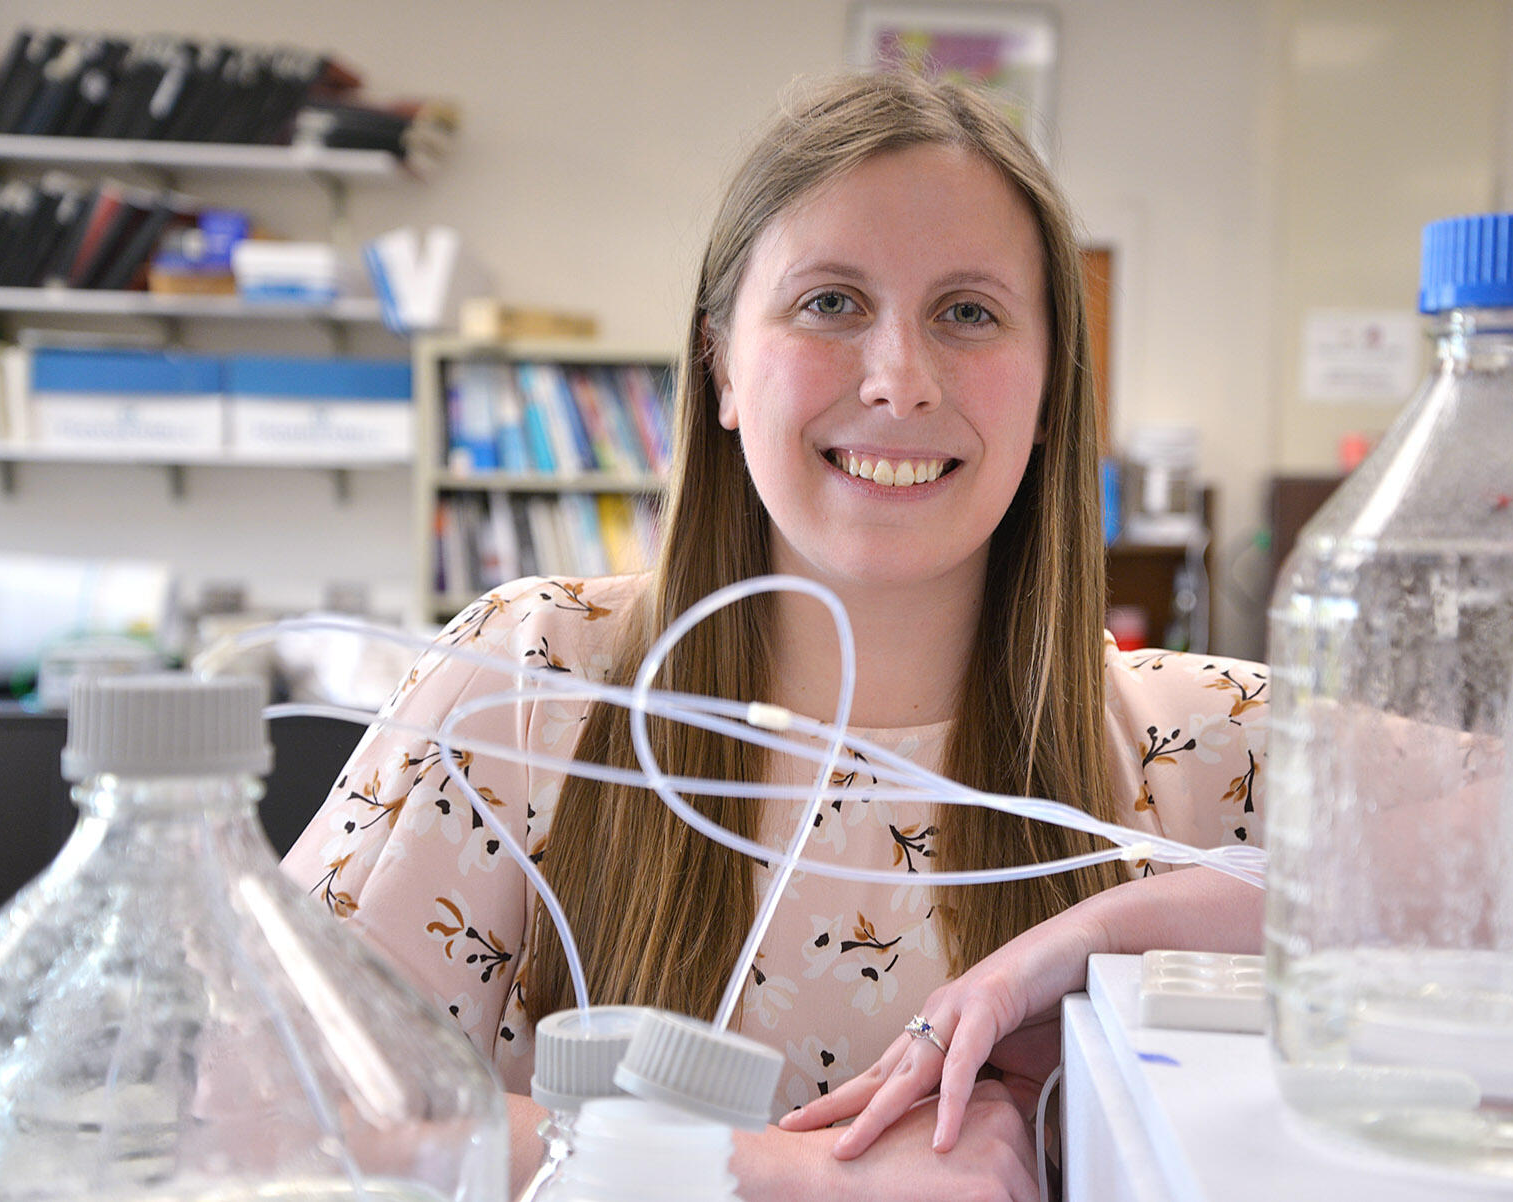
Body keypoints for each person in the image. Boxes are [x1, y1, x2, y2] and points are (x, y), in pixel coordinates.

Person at [281, 70, 1268, 1199]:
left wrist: (1124, 927)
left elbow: (1509, 892)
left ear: (1052, 393)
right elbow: (252, 1098)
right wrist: (790, 1173)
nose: (899, 381)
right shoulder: (525, 684)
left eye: (969, 311)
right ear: (721, 366)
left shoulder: (1209, 743)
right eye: (830, 302)